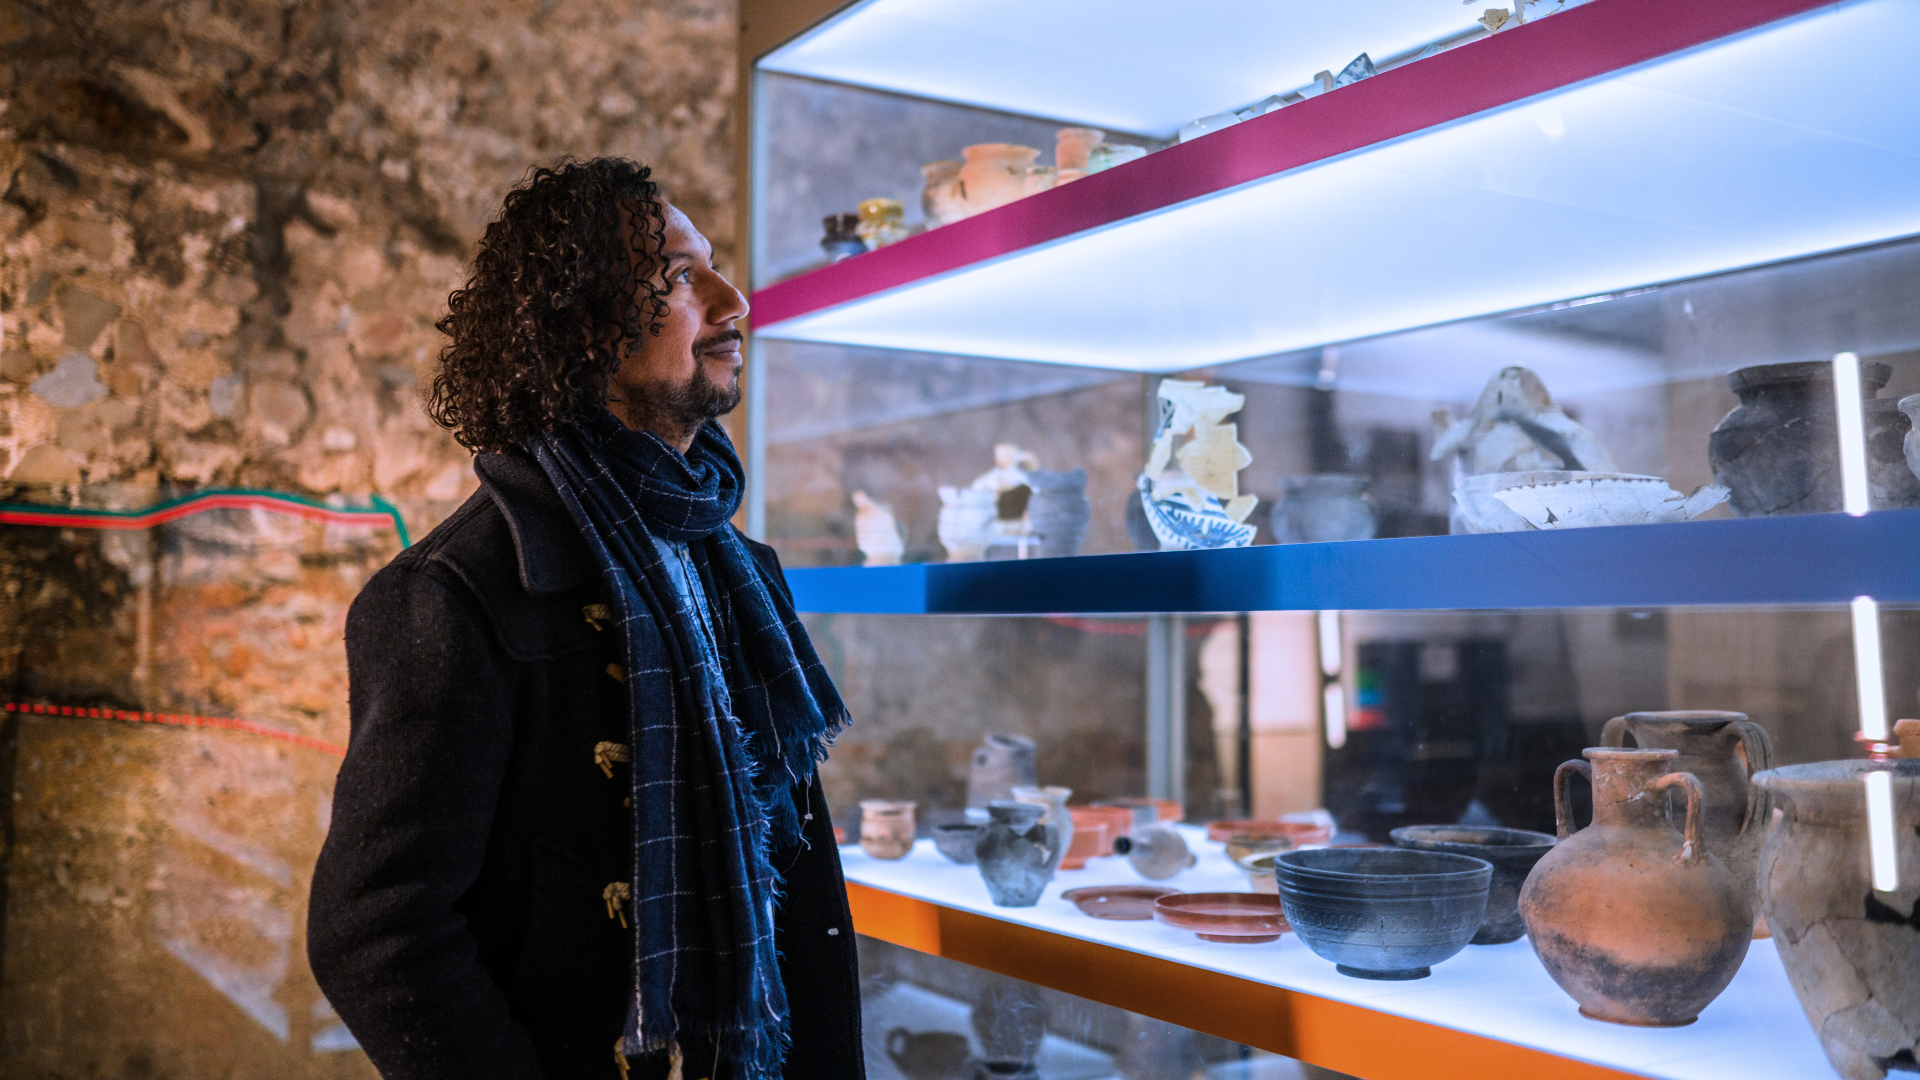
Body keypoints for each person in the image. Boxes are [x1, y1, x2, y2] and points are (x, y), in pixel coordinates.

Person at [308, 158, 864, 1080]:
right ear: (585, 326)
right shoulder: (455, 594)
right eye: (683, 276)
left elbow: (791, 868)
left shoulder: (740, 568)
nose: (735, 302)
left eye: (714, 267)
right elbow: (377, 932)